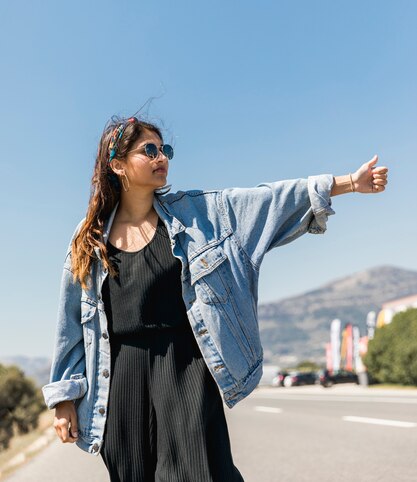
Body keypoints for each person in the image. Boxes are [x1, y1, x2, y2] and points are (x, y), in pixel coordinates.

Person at [42, 114, 388, 482]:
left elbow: (269, 200)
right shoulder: (89, 238)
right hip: (120, 378)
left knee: (202, 472)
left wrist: (350, 183)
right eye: (149, 150)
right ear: (118, 165)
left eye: (165, 150)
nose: (162, 157)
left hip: (186, 367)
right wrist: (65, 398)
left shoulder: (201, 214)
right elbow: (71, 322)